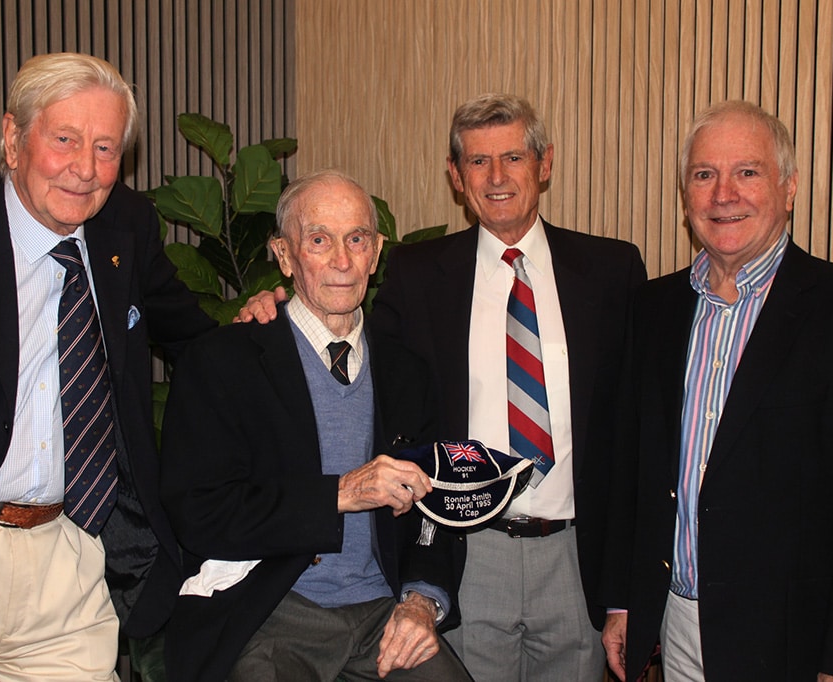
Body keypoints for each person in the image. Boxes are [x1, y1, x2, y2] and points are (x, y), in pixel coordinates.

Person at [240, 94, 646, 681]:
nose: (497, 177)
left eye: (514, 157)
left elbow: (636, 432)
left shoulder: (612, 271)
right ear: (456, 177)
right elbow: (343, 339)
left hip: (577, 556)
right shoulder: (417, 273)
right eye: (478, 161)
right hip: (468, 552)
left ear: (545, 163)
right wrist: (271, 310)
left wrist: (624, 594)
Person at [0, 52, 216, 680]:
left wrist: (264, 322)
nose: (86, 169)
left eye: (106, 148)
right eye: (65, 140)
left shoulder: (125, 228)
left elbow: (198, 343)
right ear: (12, 139)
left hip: (67, 552)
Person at [600, 100, 833, 682]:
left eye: (747, 172)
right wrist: (625, 601)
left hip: (792, 641)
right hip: (675, 621)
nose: (723, 194)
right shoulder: (652, 308)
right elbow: (634, 468)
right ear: (686, 194)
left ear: (789, 187)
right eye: (704, 174)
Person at [159, 170, 472, 682]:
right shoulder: (223, 362)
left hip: (383, 612)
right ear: (284, 256)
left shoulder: (408, 372)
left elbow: (436, 507)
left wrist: (421, 601)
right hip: (269, 609)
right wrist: (339, 494)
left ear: (376, 252)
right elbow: (198, 513)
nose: (342, 262)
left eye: (357, 240)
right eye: (320, 241)